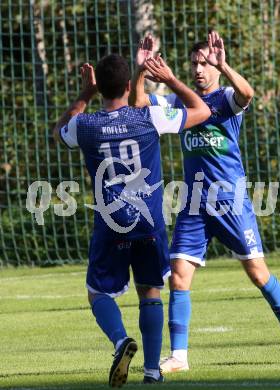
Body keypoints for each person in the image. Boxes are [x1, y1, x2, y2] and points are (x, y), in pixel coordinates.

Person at [130, 31, 280, 373]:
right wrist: (140, 71)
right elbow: (139, 104)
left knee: (258, 274)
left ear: (215, 66)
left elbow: (247, 93)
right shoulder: (178, 104)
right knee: (179, 277)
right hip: (194, 203)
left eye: (204, 63)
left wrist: (224, 65)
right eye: (195, 62)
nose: (199, 69)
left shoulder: (225, 98)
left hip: (231, 201)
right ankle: (179, 356)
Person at [53, 36, 210, 386]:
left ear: (101, 87)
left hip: (111, 224)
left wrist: (85, 94)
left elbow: (58, 132)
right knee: (150, 291)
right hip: (148, 222)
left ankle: (121, 340)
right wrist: (167, 79)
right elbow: (202, 111)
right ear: (127, 85)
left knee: (97, 292)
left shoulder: (86, 125)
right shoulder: (148, 118)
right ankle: (153, 371)